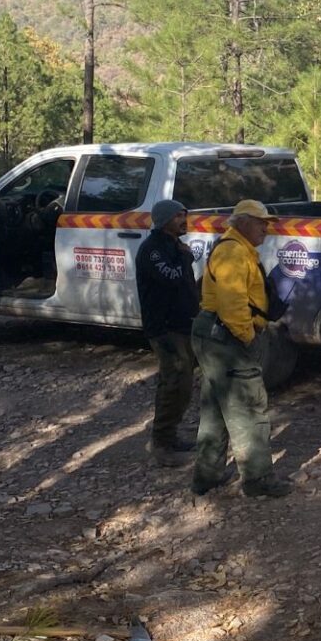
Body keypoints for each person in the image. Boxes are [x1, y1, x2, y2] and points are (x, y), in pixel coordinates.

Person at [189, 199, 291, 499]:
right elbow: (232, 304)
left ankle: (206, 476)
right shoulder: (233, 252)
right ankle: (258, 479)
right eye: (261, 222)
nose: (266, 228)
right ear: (243, 222)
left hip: (215, 336)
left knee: (216, 409)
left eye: (267, 222)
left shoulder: (238, 249)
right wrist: (248, 337)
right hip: (227, 339)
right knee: (248, 406)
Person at [136, 199, 200, 467]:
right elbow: (173, 277)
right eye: (178, 217)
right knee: (173, 382)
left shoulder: (173, 246)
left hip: (181, 324)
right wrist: (186, 257)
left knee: (183, 384)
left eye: (184, 216)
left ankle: (170, 436)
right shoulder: (153, 250)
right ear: (164, 220)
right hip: (164, 328)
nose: (183, 221)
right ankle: (161, 444)